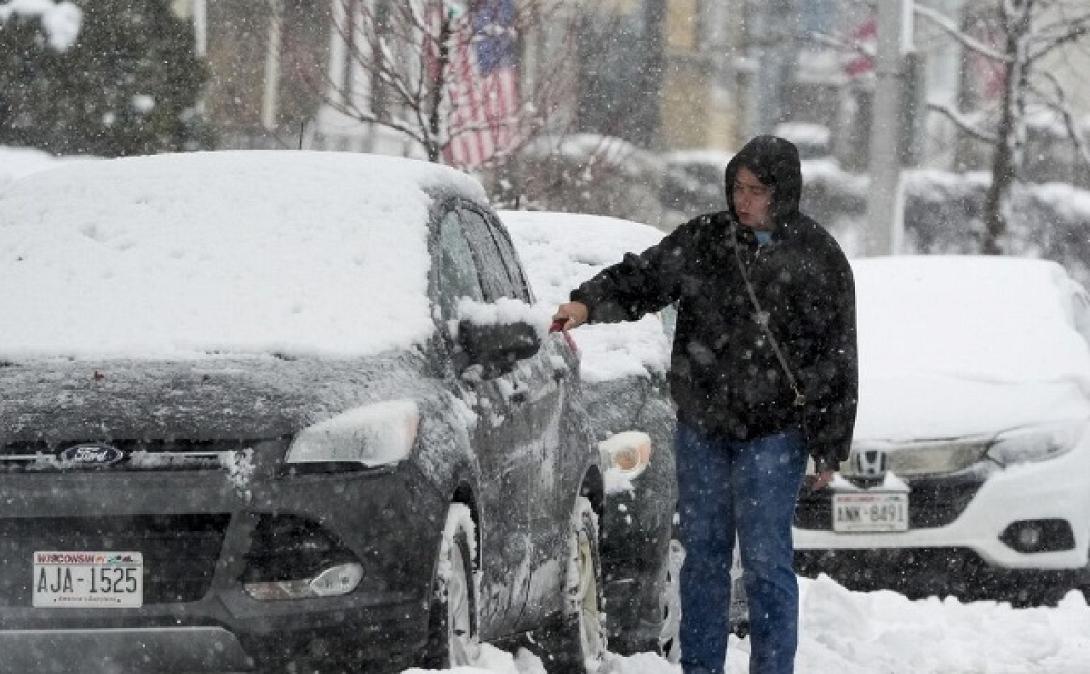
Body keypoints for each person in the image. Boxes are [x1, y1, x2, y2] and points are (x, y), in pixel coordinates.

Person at [553, 135, 857, 674]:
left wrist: (830, 446)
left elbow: (837, 357)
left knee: (765, 561)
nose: (743, 200)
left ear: (782, 192)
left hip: (776, 432)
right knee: (704, 559)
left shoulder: (818, 257)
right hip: (705, 425)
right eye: (737, 187)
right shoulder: (706, 240)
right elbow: (644, 276)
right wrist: (587, 303)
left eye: (757, 190)